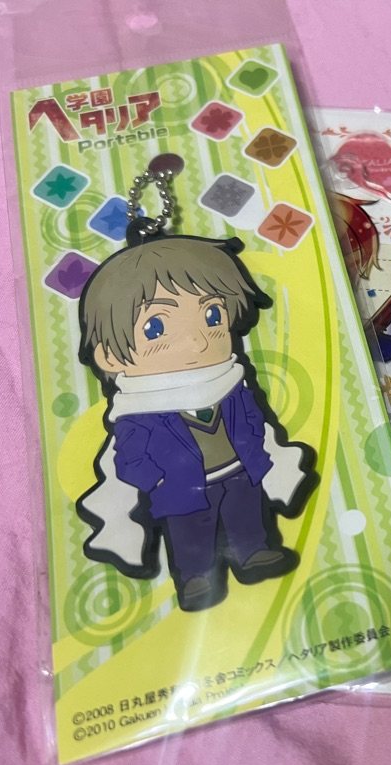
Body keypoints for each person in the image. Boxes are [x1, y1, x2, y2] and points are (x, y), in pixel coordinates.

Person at [77, 224, 316, 611]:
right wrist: (157, 480)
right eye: (155, 327)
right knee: (190, 533)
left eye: (212, 314)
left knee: (246, 515)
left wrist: (254, 449)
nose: (197, 339)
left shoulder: (231, 383)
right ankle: (196, 576)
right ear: (110, 356)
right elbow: (130, 457)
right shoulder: (138, 412)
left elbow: (252, 417)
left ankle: (253, 552)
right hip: (179, 488)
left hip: (239, 472)